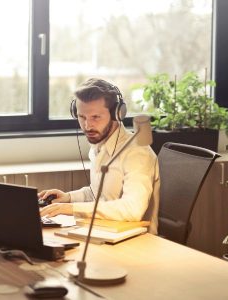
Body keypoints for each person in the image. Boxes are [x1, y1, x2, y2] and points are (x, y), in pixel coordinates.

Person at [39, 78, 159, 234]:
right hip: (104, 231)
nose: (87, 126)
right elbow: (99, 194)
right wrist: (68, 198)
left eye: (95, 117)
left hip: (136, 242)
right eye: (82, 117)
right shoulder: (98, 146)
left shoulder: (137, 153)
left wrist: (71, 209)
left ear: (117, 113)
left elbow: (132, 209)